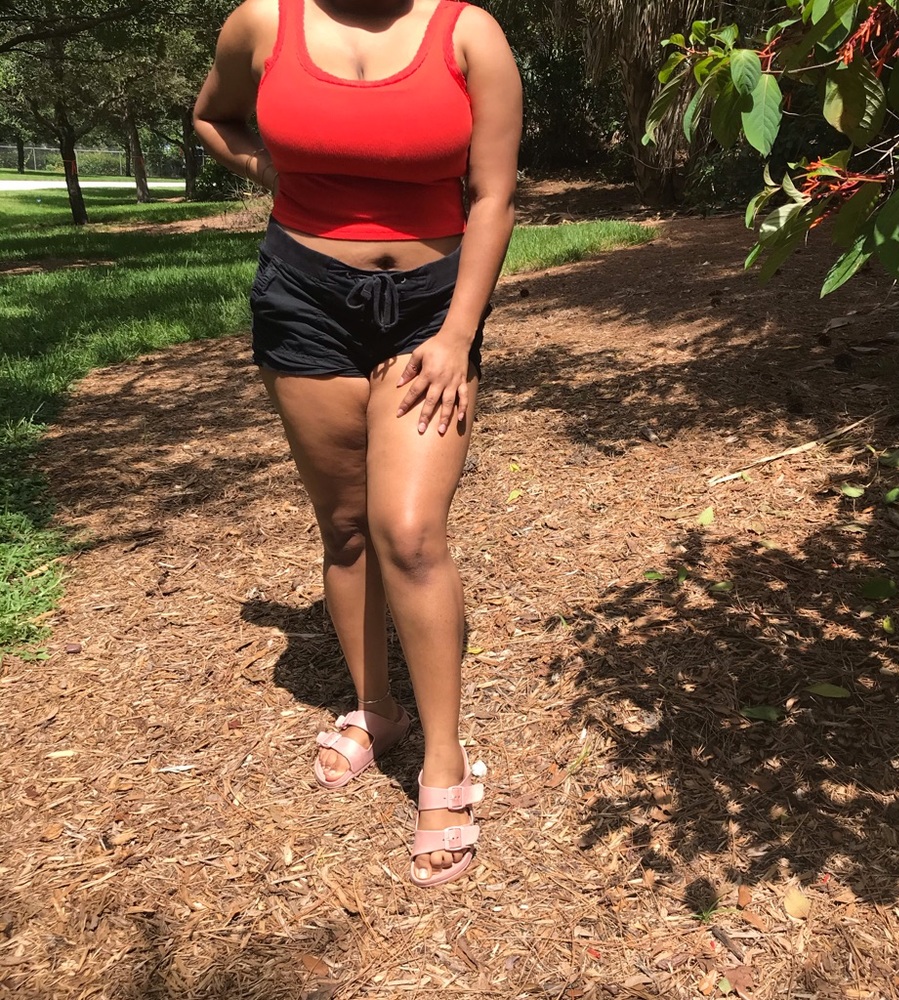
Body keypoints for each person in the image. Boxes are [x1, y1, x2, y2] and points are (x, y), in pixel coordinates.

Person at [193, 0, 521, 886]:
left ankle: (445, 760)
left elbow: (494, 197)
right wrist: (276, 173)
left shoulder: (467, 33)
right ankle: (378, 709)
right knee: (344, 527)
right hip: (302, 302)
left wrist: (457, 335)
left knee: (407, 531)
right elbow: (211, 116)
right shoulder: (263, 23)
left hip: (430, 308)